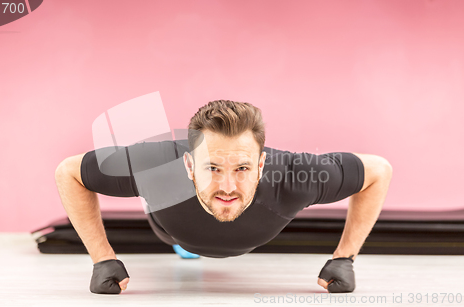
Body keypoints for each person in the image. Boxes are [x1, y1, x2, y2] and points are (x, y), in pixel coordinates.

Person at [55, 100, 393, 295]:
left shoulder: (294, 175)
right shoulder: (156, 166)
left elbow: (378, 170)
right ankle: (180, 243)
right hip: (169, 227)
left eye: (243, 168)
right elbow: (68, 172)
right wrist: (102, 259)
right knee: (176, 233)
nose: (228, 186)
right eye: (213, 167)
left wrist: (344, 258)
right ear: (189, 164)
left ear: (261, 165)